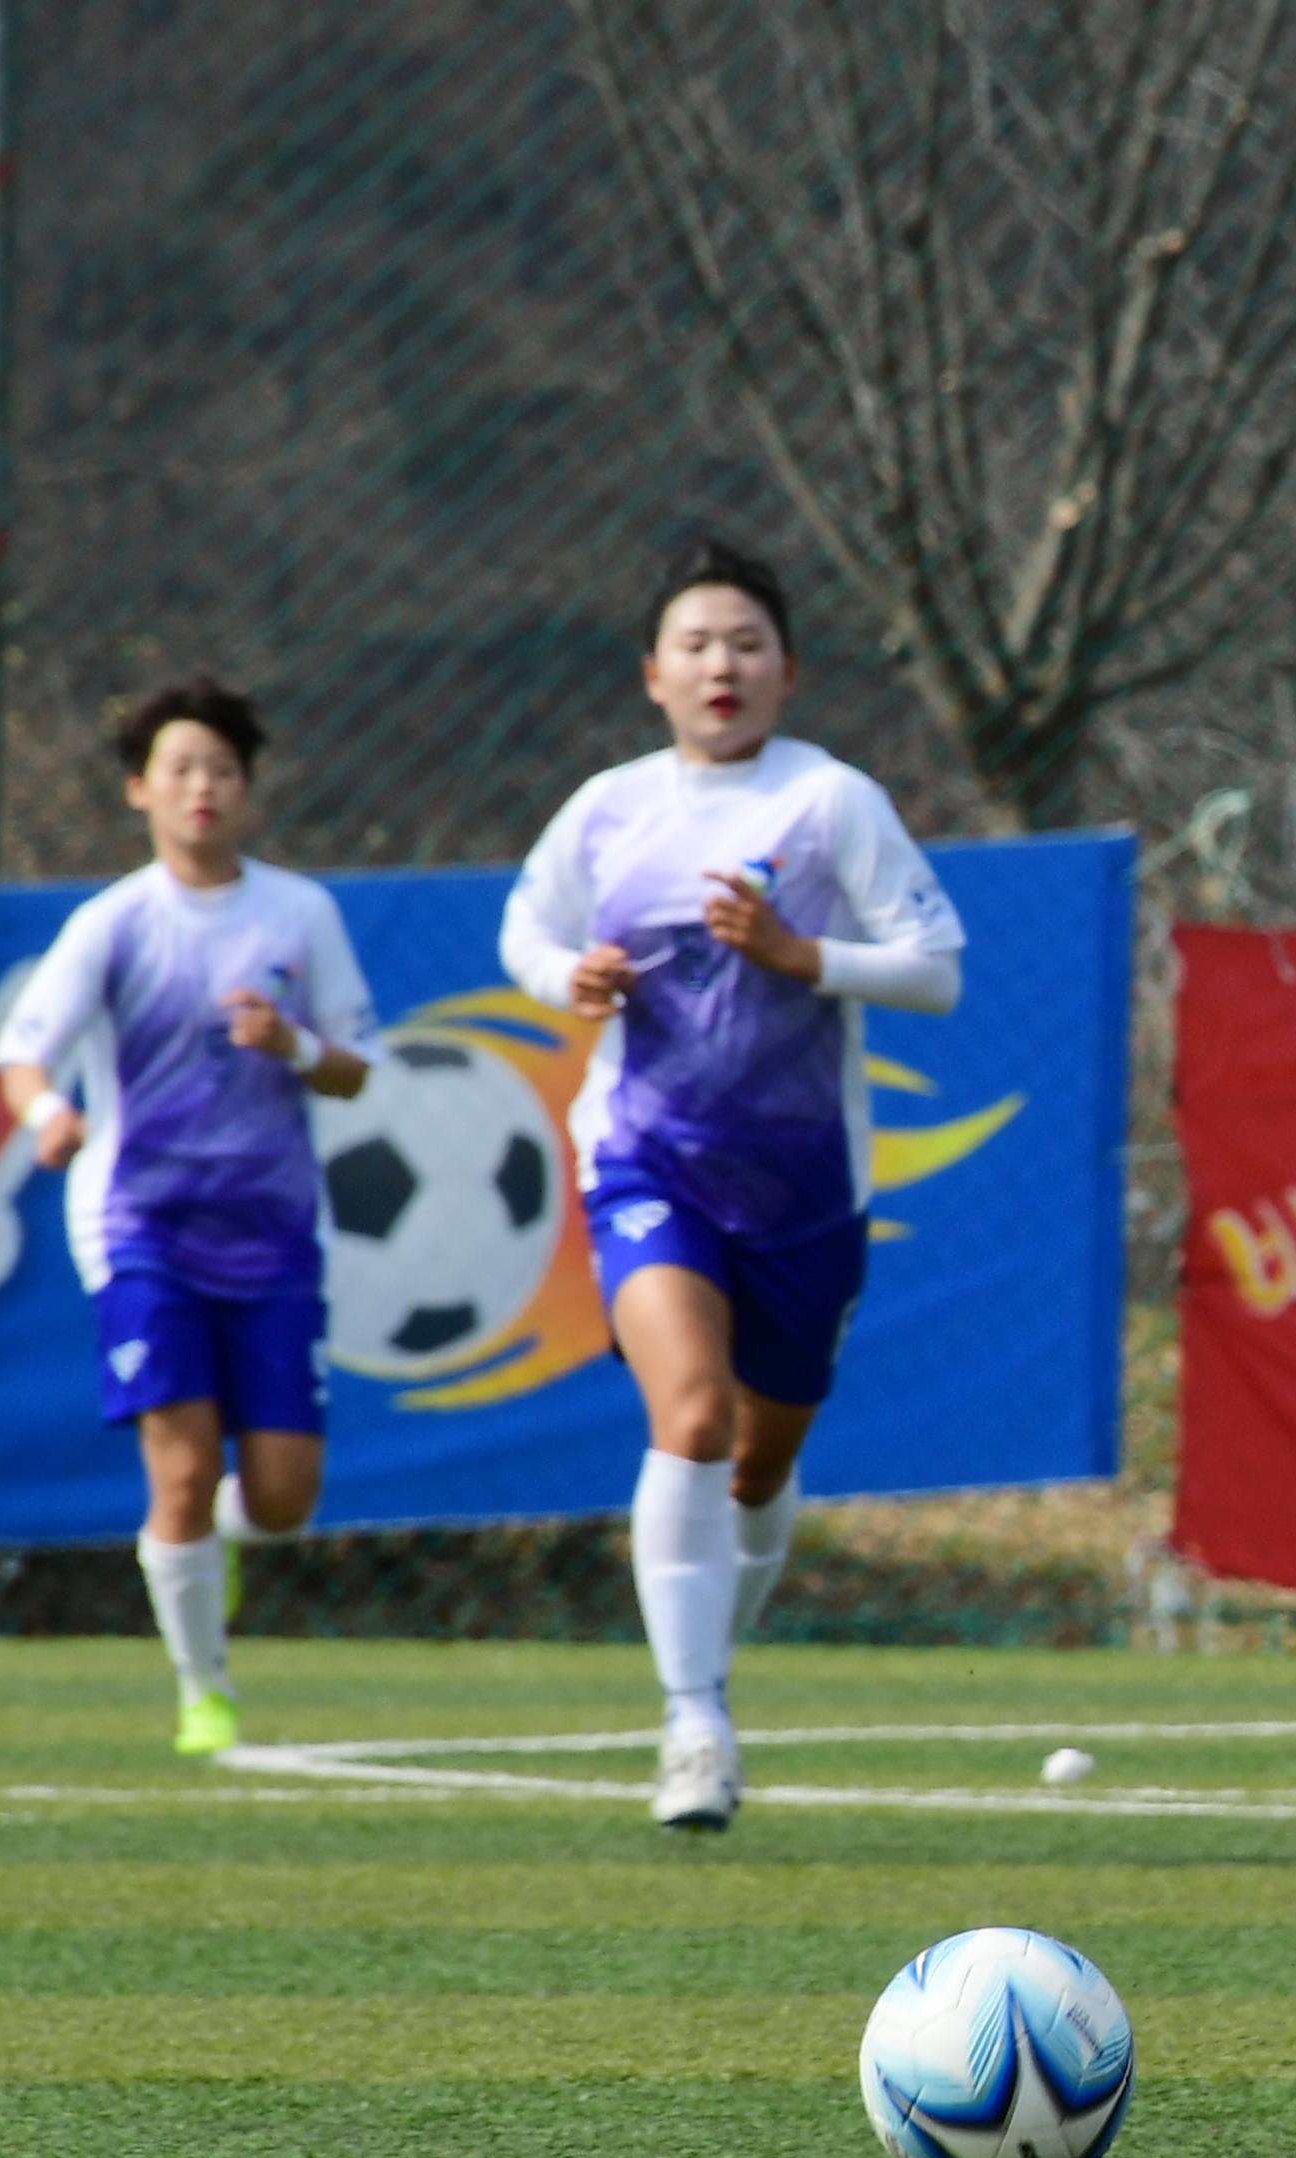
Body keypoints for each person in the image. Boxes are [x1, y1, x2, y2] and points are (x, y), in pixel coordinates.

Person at [500, 537, 966, 1831]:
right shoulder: (607, 809)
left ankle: (712, 1662)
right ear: (654, 673)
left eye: (747, 643)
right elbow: (528, 928)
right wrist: (565, 980)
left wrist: (797, 953)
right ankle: (692, 1722)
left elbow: (937, 969)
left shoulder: (829, 804)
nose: (723, 664)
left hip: (807, 1187)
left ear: (789, 672)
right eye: (697, 643)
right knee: (691, 1419)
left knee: (759, 1467)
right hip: (646, 1158)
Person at [0, 676, 380, 1756]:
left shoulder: (300, 915)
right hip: (139, 1227)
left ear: (248, 789)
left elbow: (358, 1066)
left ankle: (222, 1541)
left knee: (285, 1492)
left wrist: (293, 1044)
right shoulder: (114, 922)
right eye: (179, 768)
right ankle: (204, 1692)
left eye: (221, 768)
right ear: (139, 789)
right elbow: (22, 1052)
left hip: (272, 1232)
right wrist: (49, 1110)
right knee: (178, 1465)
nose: (201, 788)